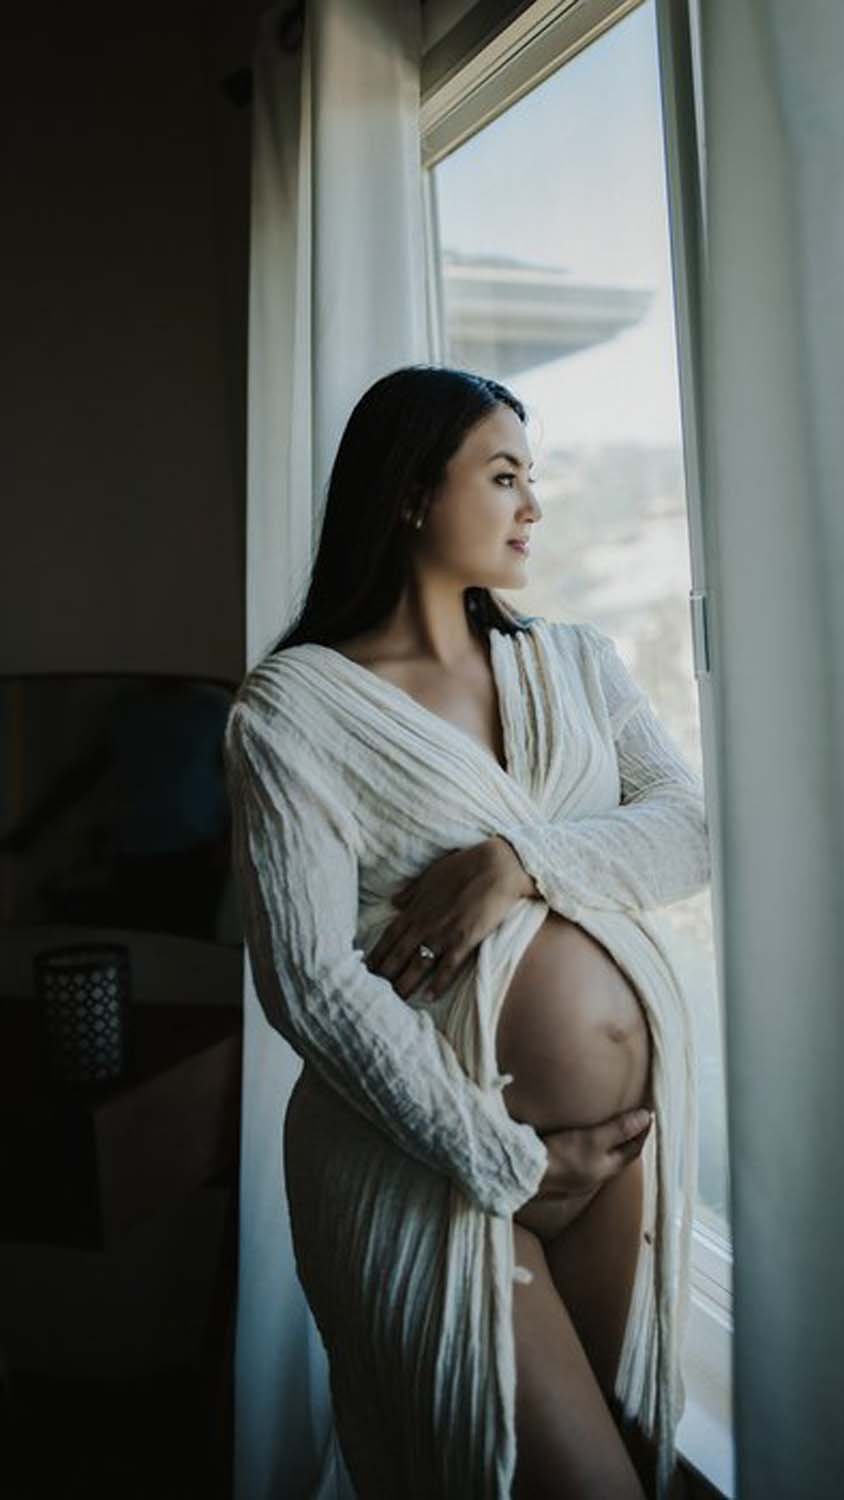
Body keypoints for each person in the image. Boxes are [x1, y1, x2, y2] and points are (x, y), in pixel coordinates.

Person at [223, 365, 711, 1499]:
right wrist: (502, 1160)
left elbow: (688, 828)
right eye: (503, 477)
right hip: (430, 1161)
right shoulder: (295, 708)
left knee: (625, 1461)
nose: (534, 505)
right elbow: (310, 985)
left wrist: (520, 861)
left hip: (613, 1155)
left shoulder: (574, 663)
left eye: (532, 478)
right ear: (408, 495)